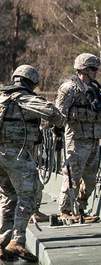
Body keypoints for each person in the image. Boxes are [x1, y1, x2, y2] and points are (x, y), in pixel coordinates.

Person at [0, 65, 66, 262]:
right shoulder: (23, 97)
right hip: (16, 152)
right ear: (30, 83)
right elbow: (50, 112)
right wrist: (60, 122)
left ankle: (2, 246)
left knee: (7, 197)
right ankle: (18, 240)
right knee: (30, 193)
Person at [55, 53, 101, 223]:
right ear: (83, 69)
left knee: (90, 179)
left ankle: (81, 209)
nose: (96, 72)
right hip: (75, 140)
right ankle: (65, 210)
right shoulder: (69, 89)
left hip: (94, 141)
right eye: (93, 69)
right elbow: (59, 115)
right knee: (72, 177)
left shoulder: (95, 90)